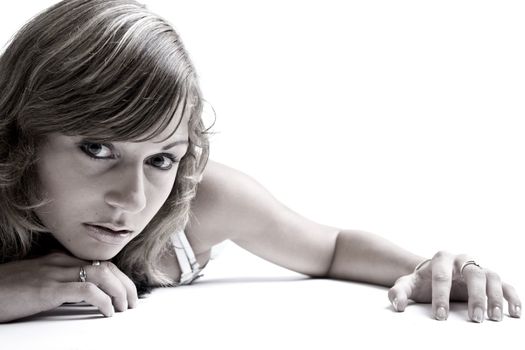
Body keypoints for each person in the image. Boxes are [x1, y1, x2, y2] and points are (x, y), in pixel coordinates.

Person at [0, 0, 520, 324]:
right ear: (17, 134)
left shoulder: (200, 202)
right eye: (97, 149)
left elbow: (331, 248)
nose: (132, 200)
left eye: (160, 158)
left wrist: (423, 268)